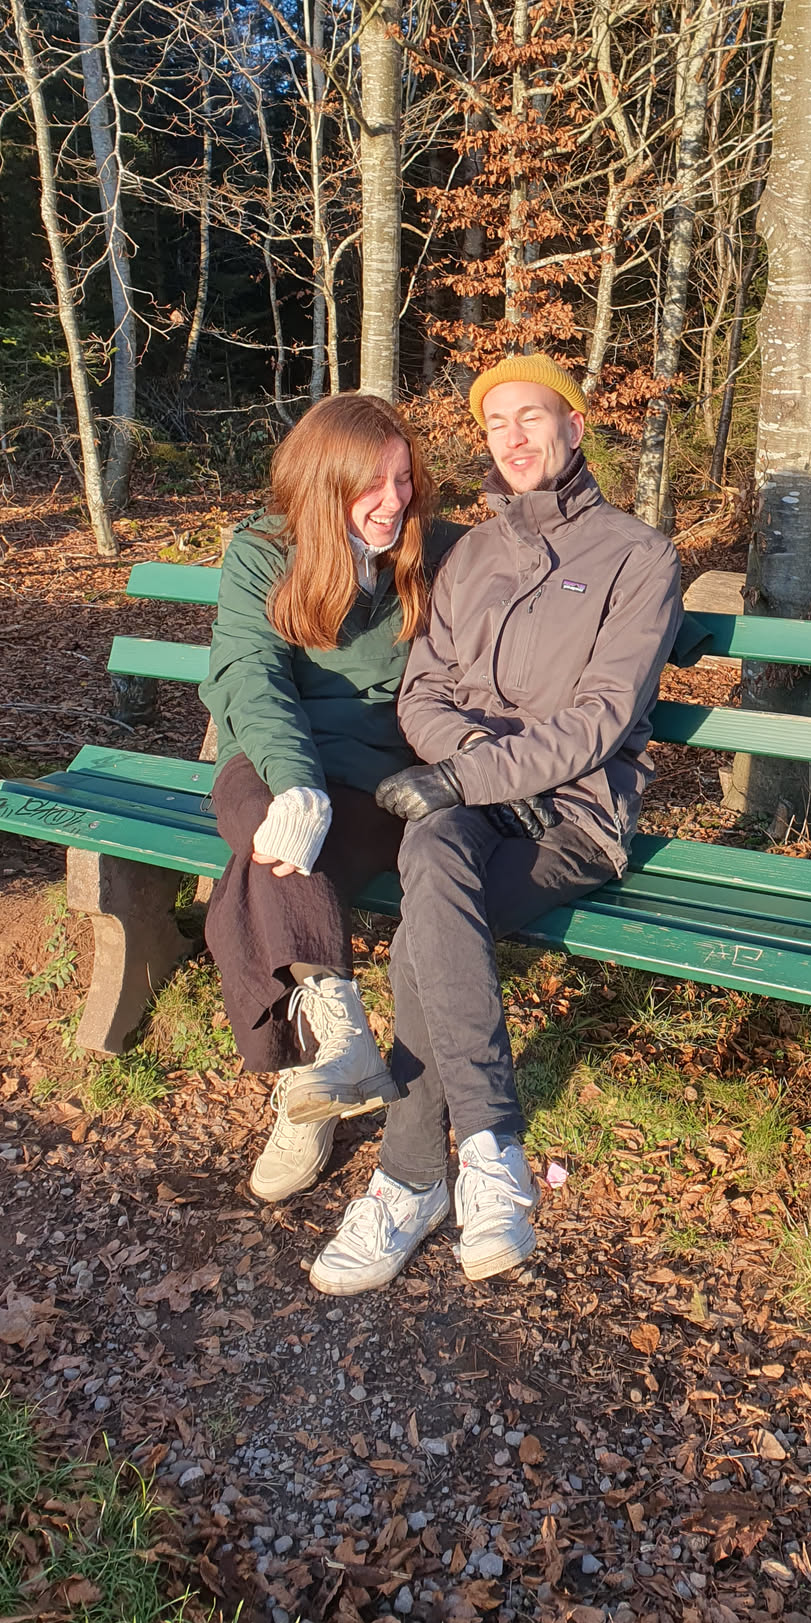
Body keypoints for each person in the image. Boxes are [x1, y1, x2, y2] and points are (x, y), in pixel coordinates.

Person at [308, 357, 684, 1295]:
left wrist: (466, 774)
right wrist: (469, 765)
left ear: (575, 427)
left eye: (532, 417)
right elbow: (422, 692)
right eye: (496, 424)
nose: (512, 439)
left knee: (421, 938)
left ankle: (411, 1178)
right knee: (435, 855)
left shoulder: (638, 556)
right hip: (469, 806)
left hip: (573, 817)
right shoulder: (470, 555)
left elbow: (600, 720)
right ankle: (490, 1153)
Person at [200, 394, 463, 1204]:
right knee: (266, 821)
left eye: (402, 478)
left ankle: (313, 1071)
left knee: (253, 873)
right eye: (369, 484)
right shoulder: (263, 551)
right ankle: (334, 1038)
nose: (393, 500)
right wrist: (296, 783)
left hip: (377, 775)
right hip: (275, 758)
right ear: (322, 484)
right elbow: (251, 676)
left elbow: (550, 581)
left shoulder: (438, 551)